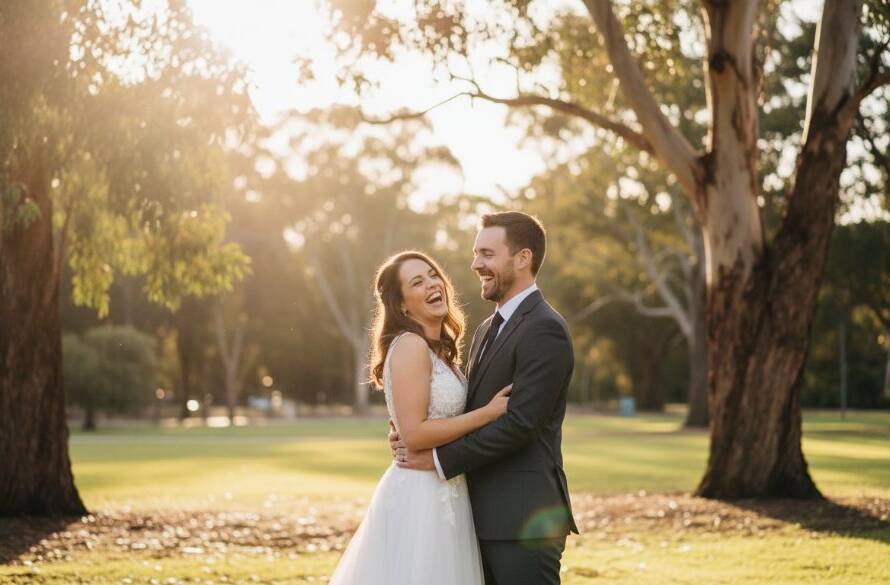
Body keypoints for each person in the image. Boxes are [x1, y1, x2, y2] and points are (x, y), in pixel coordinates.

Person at [391, 211, 579, 585]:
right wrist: (407, 428)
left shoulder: (545, 329)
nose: (476, 264)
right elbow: (470, 408)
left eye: (487, 254)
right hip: (475, 515)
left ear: (522, 258)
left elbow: (520, 425)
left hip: (523, 519)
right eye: (476, 254)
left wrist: (438, 459)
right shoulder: (485, 329)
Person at [329, 250, 511, 585]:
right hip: (421, 492)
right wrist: (486, 415)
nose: (432, 284)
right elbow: (413, 434)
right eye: (418, 281)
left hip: (449, 485)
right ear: (402, 305)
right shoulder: (411, 345)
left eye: (432, 275)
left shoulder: (441, 349)